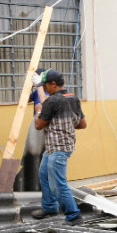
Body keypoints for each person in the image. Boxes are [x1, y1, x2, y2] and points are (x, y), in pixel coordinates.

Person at [32, 71, 87, 224]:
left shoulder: (52, 101)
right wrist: (65, 122)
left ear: (53, 84)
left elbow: (38, 125)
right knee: (43, 174)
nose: (46, 88)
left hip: (58, 149)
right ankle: (49, 207)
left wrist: (38, 112)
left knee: (57, 184)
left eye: (46, 85)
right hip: (58, 147)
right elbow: (82, 124)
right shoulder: (72, 98)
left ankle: (73, 215)